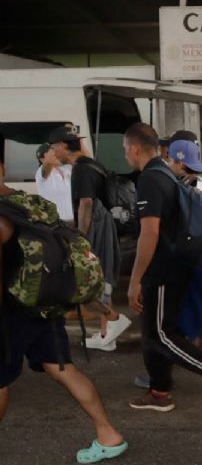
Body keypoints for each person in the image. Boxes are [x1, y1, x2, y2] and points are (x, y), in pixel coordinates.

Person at [0, 135, 129, 464]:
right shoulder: (25, 204)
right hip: (46, 305)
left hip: (11, 312)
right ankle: (108, 434)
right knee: (64, 369)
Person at [122, 122, 202, 413]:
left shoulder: (151, 179)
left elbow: (149, 233)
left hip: (162, 270)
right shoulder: (165, 173)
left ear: (134, 148)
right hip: (178, 266)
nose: (125, 156)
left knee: (160, 334)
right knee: (153, 332)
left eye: (125, 150)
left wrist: (135, 279)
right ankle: (160, 392)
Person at [48, 125, 130, 353]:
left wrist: (81, 237)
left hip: (96, 226)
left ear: (64, 146)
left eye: (55, 147)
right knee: (100, 280)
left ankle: (113, 318)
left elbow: (86, 202)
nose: (54, 152)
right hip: (104, 225)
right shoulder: (92, 165)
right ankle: (107, 335)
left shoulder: (82, 169)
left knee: (85, 282)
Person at [34, 142, 74, 223]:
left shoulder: (67, 169)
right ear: (42, 159)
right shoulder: (40, 174)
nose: (56, 154)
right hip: (55, 224)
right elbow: (48, 163)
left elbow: (85, 160)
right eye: (52, 152)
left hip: (74, 222)